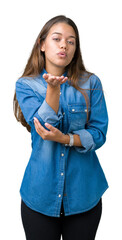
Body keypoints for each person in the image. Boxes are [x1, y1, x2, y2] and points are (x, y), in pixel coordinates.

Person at [13, 15, 109, 240]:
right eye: (57, 39)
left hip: (85, 195)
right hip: (40, 196)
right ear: (42, 44)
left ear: (75, 49)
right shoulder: (26, 85)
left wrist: (67, 139)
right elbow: (44, 128)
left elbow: (99, 133)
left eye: (71, 41)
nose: (64, 44)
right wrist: (52, 90)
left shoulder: (91, 83)